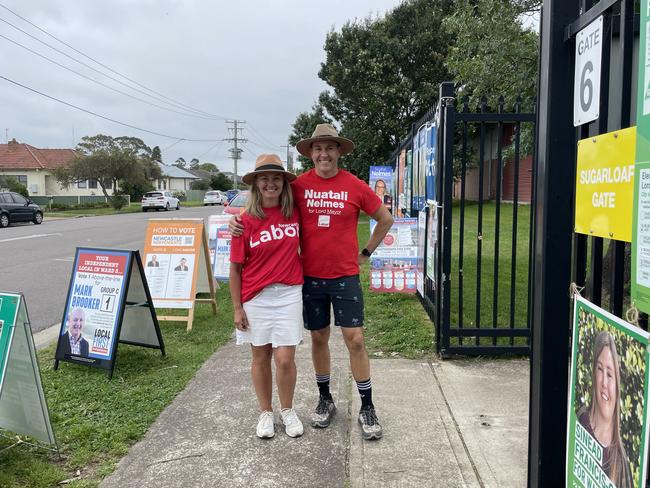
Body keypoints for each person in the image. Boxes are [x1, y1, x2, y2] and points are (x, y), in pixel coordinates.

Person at [231, 124, 394, 440]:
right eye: (318, 148)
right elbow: (266, 202)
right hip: (309, 278)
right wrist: (237, 221)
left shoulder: (355, 186)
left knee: (355, 339)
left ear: (338, 151)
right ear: (310, 153)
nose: (324, 154)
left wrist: (365, 252)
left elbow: (385, 219)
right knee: (319, 338)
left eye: (329, 147)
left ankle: (368, 406)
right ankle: (325, 399)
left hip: (345, 276)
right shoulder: (299, 186)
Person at [229, 153, 304, 439]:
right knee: (260, 356)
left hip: (288, 293)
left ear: (284, 183)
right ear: (256, 184)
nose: (270, 183)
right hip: (256, 296)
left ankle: (287, 409)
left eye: (276, 178)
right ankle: (265, 413)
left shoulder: (294, 212)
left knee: (285, 357)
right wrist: (237, 308)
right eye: (264, 178)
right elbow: (235, 269)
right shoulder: (244, 222)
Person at [578, 331, 633, 488]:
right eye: (600, 369)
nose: (603, 382)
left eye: (610, 374)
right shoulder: (580, 418)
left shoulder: (621, 464)